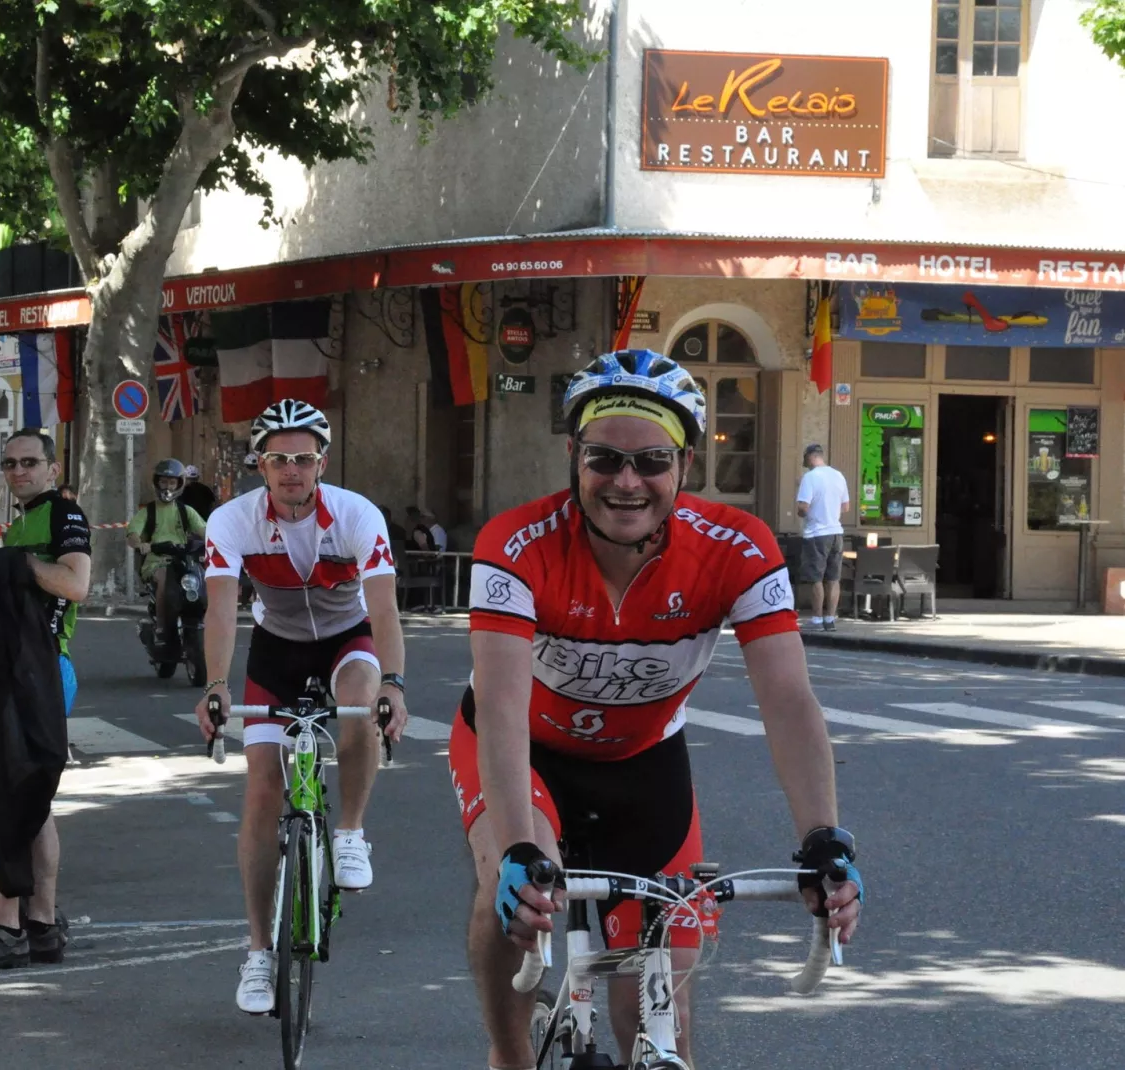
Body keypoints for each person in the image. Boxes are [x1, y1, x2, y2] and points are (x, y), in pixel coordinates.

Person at [456, 349, 863, 1070]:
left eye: (651, 461)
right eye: (604, 458)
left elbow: (790, 702)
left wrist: (823, 838)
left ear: (686, 461)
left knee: (656, 1011)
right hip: (527, 753)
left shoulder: (739, 548)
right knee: (511, 895)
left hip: (644, 766)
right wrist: (518, 845)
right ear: (573, 457)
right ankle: (509, 1051)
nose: (626, 481)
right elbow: (500, 703)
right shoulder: (515, 545)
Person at [191, 399, 410, 1015]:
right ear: (260, 464)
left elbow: (385, 609)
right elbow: (220, 608)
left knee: (362, 702)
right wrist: (215, 684)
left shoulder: (356, 516)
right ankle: (259, 952)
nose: (293, 470)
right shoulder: (232, 521)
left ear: (322, 462)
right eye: (279, 459)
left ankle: (349, 831)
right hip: (276, 650)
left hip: (349, 638)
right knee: (262, 791)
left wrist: (394, 683)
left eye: (304, 459)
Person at [0, 429, 90, 971]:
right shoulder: (20, 521)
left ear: (52, 469)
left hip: (43, 672)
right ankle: (43, 926)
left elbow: (76, 585)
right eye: (8, 464)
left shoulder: (62, 514)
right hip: (20, 672)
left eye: (29, 462)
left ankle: (5, 928)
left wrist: (10, 565)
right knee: (23, 799)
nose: (18, 472)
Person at [126, 459, 208, 645]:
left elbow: (206, 532)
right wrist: (140, 544)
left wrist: (217, 543)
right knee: (164, 576)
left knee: (202, 577)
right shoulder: (148, 511)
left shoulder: (186, 511)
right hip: (156, 561)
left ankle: (204, 622)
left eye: (172, 482)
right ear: (156, 483)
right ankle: (162, 627)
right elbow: (132, 534)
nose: (167, 486)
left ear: (179, 484)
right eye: (164, 481)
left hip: (183, 560)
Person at [796, 444, 850, 632]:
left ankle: (817, 620)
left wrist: (804, 514)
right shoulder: (838, 475)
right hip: (836, 532)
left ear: (810, 457)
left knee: (816, 579)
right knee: (833, 578)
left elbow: (803, 507)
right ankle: (830, 619)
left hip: (816, 534)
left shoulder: (809, 478)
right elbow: (845, 507)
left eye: (804, 458)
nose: (803, 462)